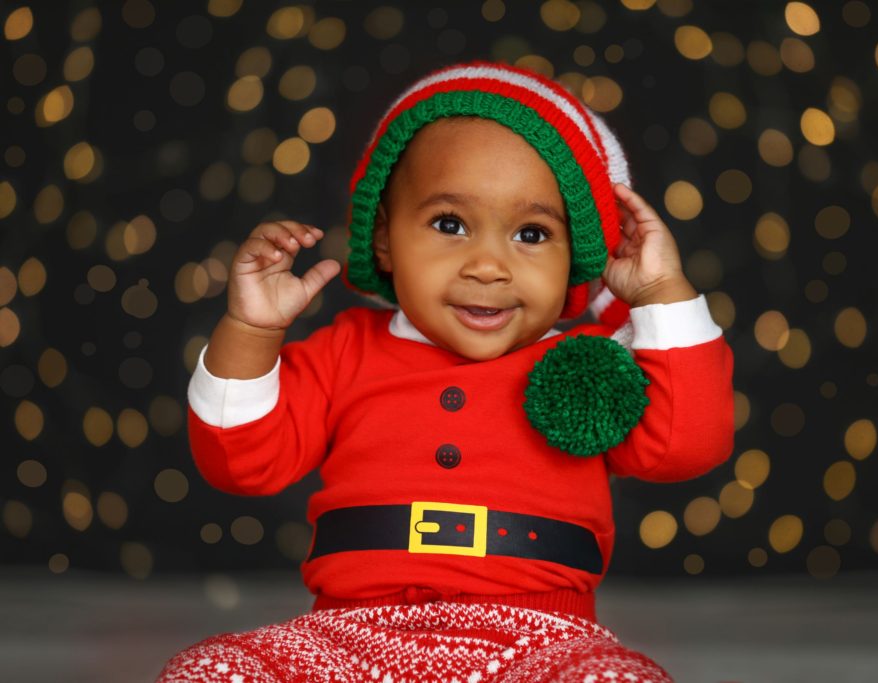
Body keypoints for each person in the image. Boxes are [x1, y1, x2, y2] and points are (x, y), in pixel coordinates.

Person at [158, 61, 734, 682]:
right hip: (345, 637)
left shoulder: (590, 365)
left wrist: (660, 295)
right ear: (383, 239)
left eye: (532, 233)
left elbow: (688, 445)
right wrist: (252, 332)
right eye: (449, 224)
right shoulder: (344, 352)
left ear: (578, 256)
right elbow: (240, 462)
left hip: (541, 641)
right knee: (212, 669)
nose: (488, 265)